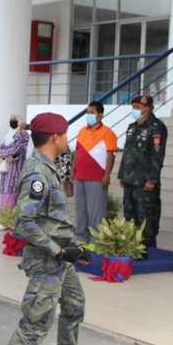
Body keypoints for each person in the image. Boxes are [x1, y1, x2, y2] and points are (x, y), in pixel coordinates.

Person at [0, 112, 93, 345]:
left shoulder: (49, 168)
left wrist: (74, 249)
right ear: (55, 137)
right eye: (65, 134)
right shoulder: (37, 172)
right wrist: (58, 250)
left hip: (61, 258)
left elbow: (53, 220)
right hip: (48, 260)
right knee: (35, 323)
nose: (67, 139)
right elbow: (24, 222)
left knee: (74, 306)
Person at [117, 95, 167, 256]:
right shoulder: (132, 127)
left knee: (145, 217)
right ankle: (132, 248)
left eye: (138, 107)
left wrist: (152, 179)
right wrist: (122, 175)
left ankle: (146, 249)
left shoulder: (156, 127)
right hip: (130, 179)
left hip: (144, 181)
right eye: (134, 107)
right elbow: (127, 152)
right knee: (129, 216)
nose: (135, 110)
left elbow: (157, 156)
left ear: (148, 108)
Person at [71, 101, 117, 243]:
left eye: (92, 112)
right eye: (88, 112)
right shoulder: (82, 131)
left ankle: (95, 240)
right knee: (80, 210)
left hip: (97, 178)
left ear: (100, 115)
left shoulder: (107, 133)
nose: (89, 115)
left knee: (95, 211)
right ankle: (81, 237)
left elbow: (110, 155)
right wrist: (72, 171)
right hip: (79, 176)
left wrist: (107, 175)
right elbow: (77, 152)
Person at [0, 113, 30, 212]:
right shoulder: (8, 134)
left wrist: (3, 153)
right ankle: (5, 218)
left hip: (16, 169)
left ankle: (11, 219)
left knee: (12, 193)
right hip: (6, 169)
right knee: (5, 192)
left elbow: (17, 148)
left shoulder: (24, 134)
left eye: (15, 118)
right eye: (11, 118)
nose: (12, 120)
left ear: (20, 120)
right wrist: (6, 155)